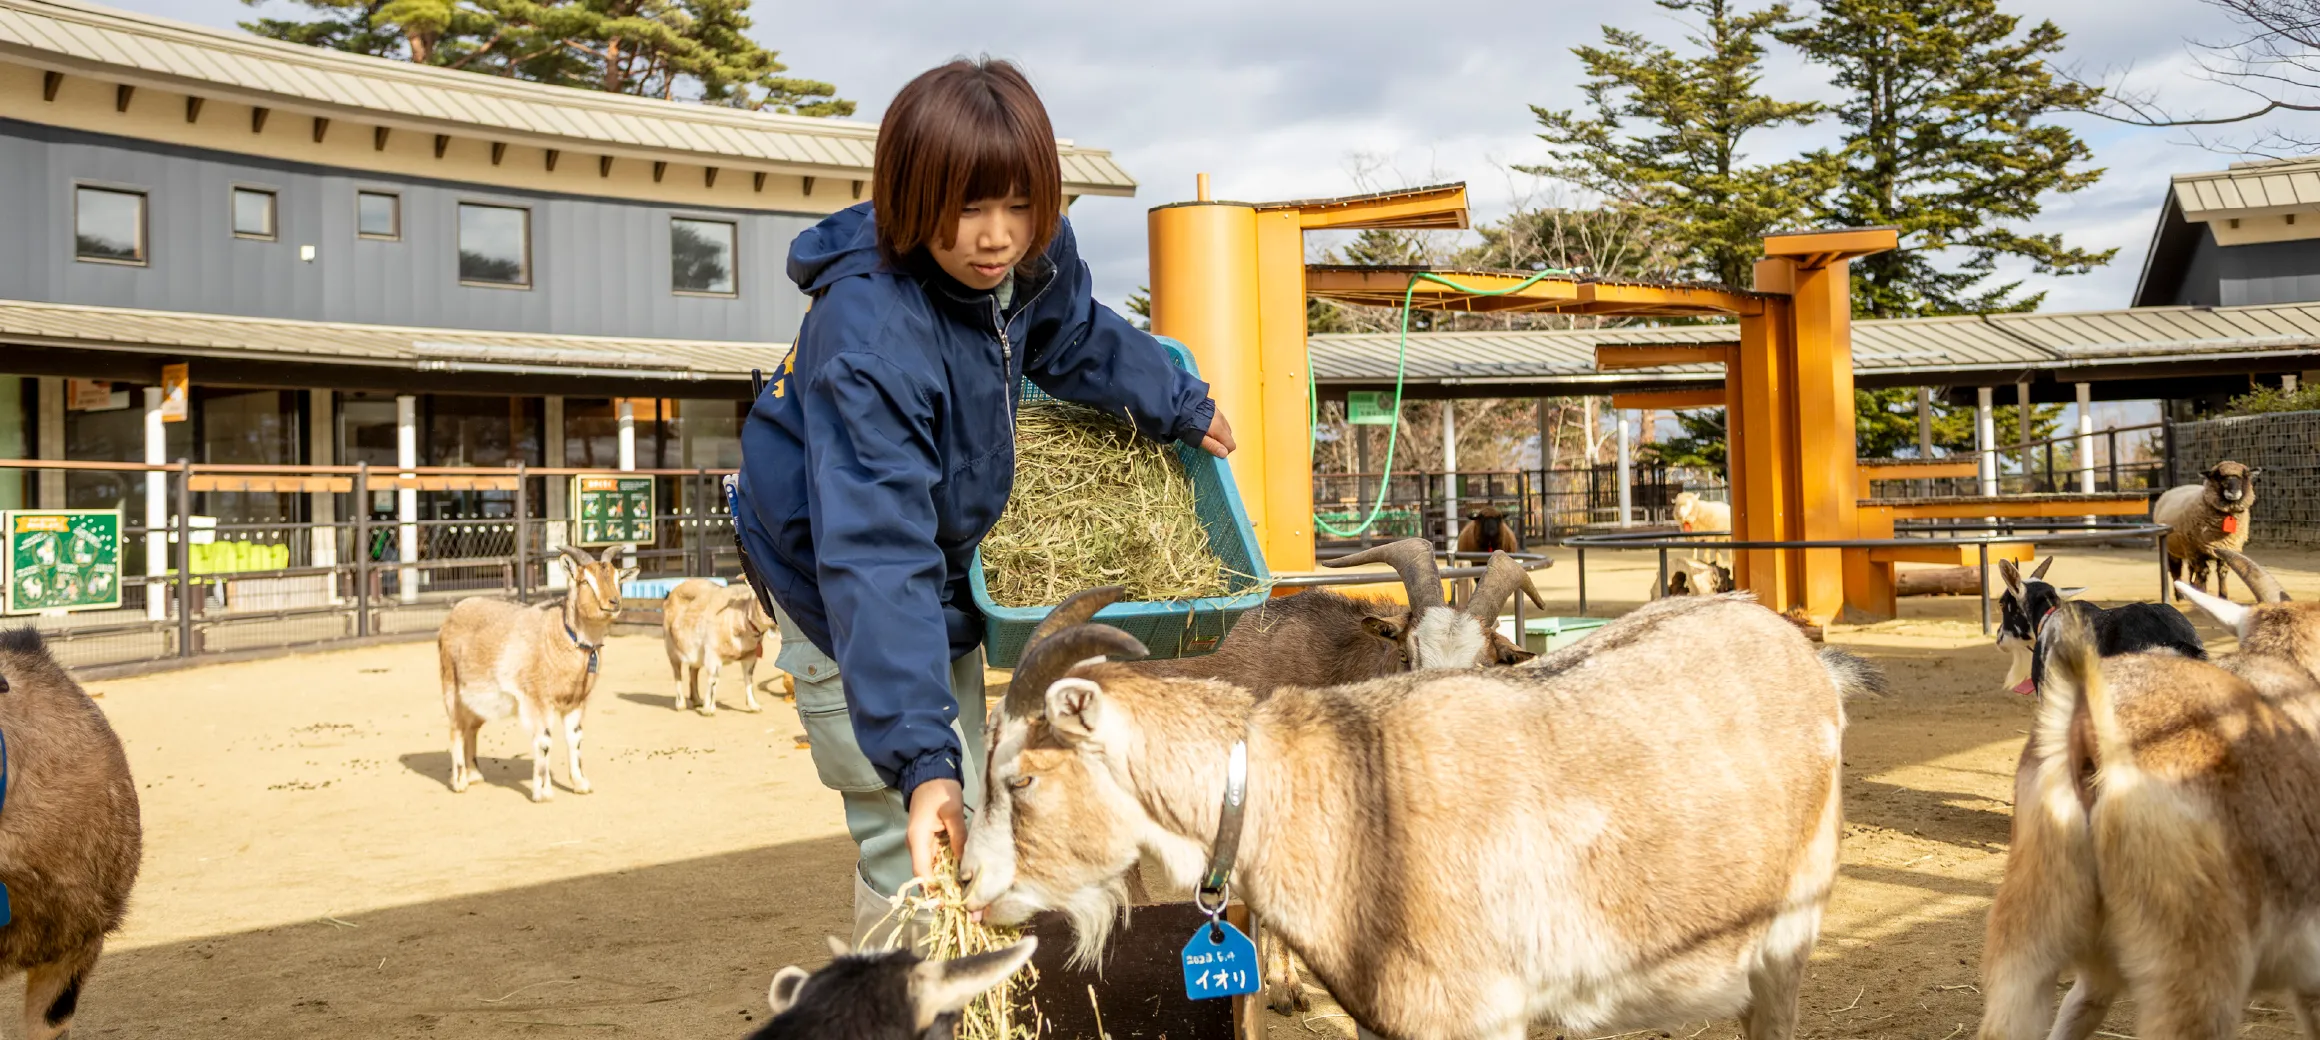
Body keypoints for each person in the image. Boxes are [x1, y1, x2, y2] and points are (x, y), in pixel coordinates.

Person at [730, 57, 1234, 944]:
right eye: (968, 207)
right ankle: (907, 1001)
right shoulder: (870, 341)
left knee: (963, 782)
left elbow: (1074, 335)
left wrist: (1179, 403)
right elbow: (878, 561)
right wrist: (924, 766)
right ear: (910, 197)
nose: (996, 236)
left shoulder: (1030, 260)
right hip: (838, 584)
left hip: (933, 560)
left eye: (1018, 204)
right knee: (915, 835)